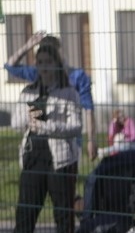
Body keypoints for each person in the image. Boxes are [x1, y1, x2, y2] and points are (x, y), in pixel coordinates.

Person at [0, 40, 82, 233]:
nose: (43, 67)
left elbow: (76, 126)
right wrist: (27, 118)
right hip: (33, 157)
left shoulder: (69, 92)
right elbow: (14, 122)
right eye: (40, 63)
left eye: (48, 62)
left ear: (57, 64)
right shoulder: (29, 91)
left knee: (62, 212)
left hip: (60, 159)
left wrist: (48, 126)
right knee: (26, 210)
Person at [5, 31, 97, 161]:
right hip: (40, 142)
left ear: (59, 52)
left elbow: (88, 109)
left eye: (52, 52)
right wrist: (28, 46)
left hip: (67, 143)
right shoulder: (37, 73)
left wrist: (91, 140)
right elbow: (10, 66)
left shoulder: (78, 76)